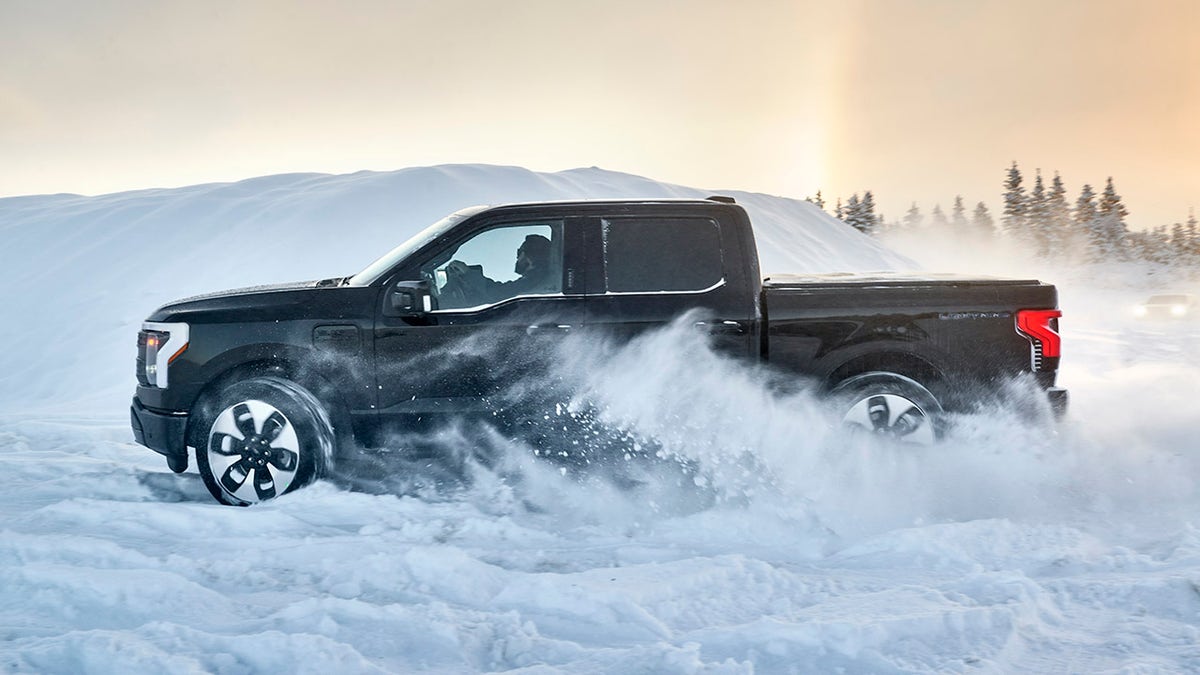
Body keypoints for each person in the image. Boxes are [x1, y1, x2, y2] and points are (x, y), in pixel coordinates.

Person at [443, 234, 555, 305]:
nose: (517, 257)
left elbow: (498, 293)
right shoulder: (539, 279)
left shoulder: (534, 280)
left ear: (529, 255)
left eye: (519, 252)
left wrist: (468, 273)